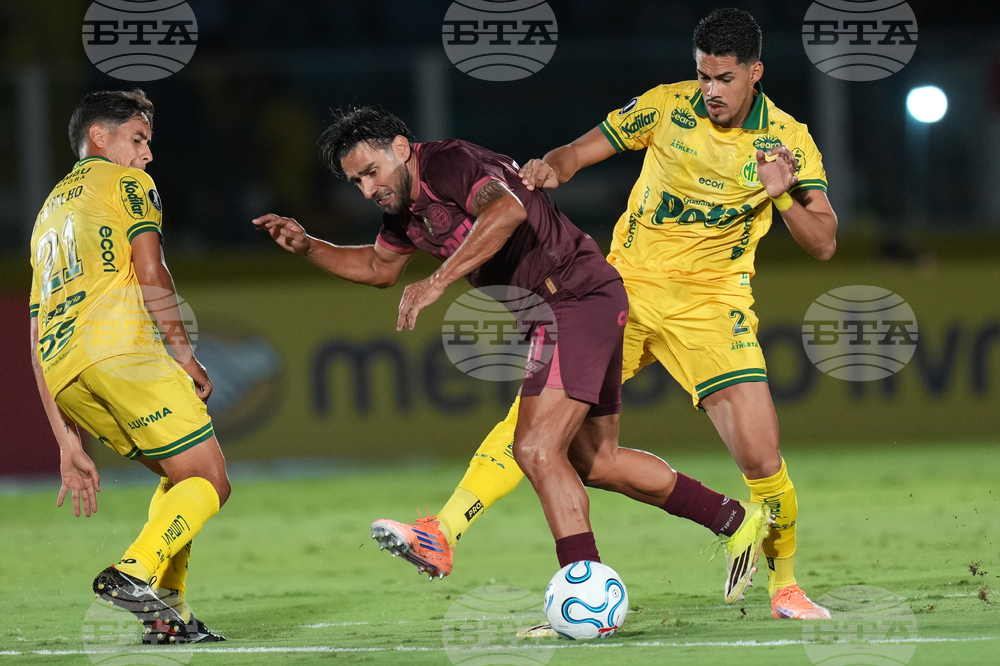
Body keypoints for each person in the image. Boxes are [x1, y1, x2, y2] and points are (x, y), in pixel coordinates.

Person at [374, 8, 838, 621]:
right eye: (703, 75)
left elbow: (823, 242)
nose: (710, 90)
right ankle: (444, 529)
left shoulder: (787, 141)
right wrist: (551, 167)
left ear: (755, 72)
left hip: (712, 305)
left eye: (724, 78)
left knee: (761, 460)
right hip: (627, 290)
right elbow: (577, 151)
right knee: (538, 427)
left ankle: (785, 586)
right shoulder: (666, 107)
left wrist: (782, 197)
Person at [254, 105, 773, 604]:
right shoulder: (404, 210)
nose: (368, 189)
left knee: (535, 448)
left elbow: (508, 208)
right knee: (597, 462)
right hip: (565, 307)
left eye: (371, 172)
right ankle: (736, 520)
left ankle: (582, 590)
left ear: (401, 148)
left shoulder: (448, 163)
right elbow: (378, 268)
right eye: (356, 182)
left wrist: (438, 280)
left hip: (576, 297)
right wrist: (310, 247)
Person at [29, 89, 230, 644]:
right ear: (99, 136)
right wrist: (184, 354)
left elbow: (35, 333)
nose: (147, 154)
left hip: (65, 373)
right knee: (210, 481)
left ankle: (167, 616)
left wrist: (65, 439)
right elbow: (151, 269)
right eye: (138, 139)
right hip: (120, 352)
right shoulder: (127, 184)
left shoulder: (46, 215)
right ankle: (133, 572)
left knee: (181, 478)